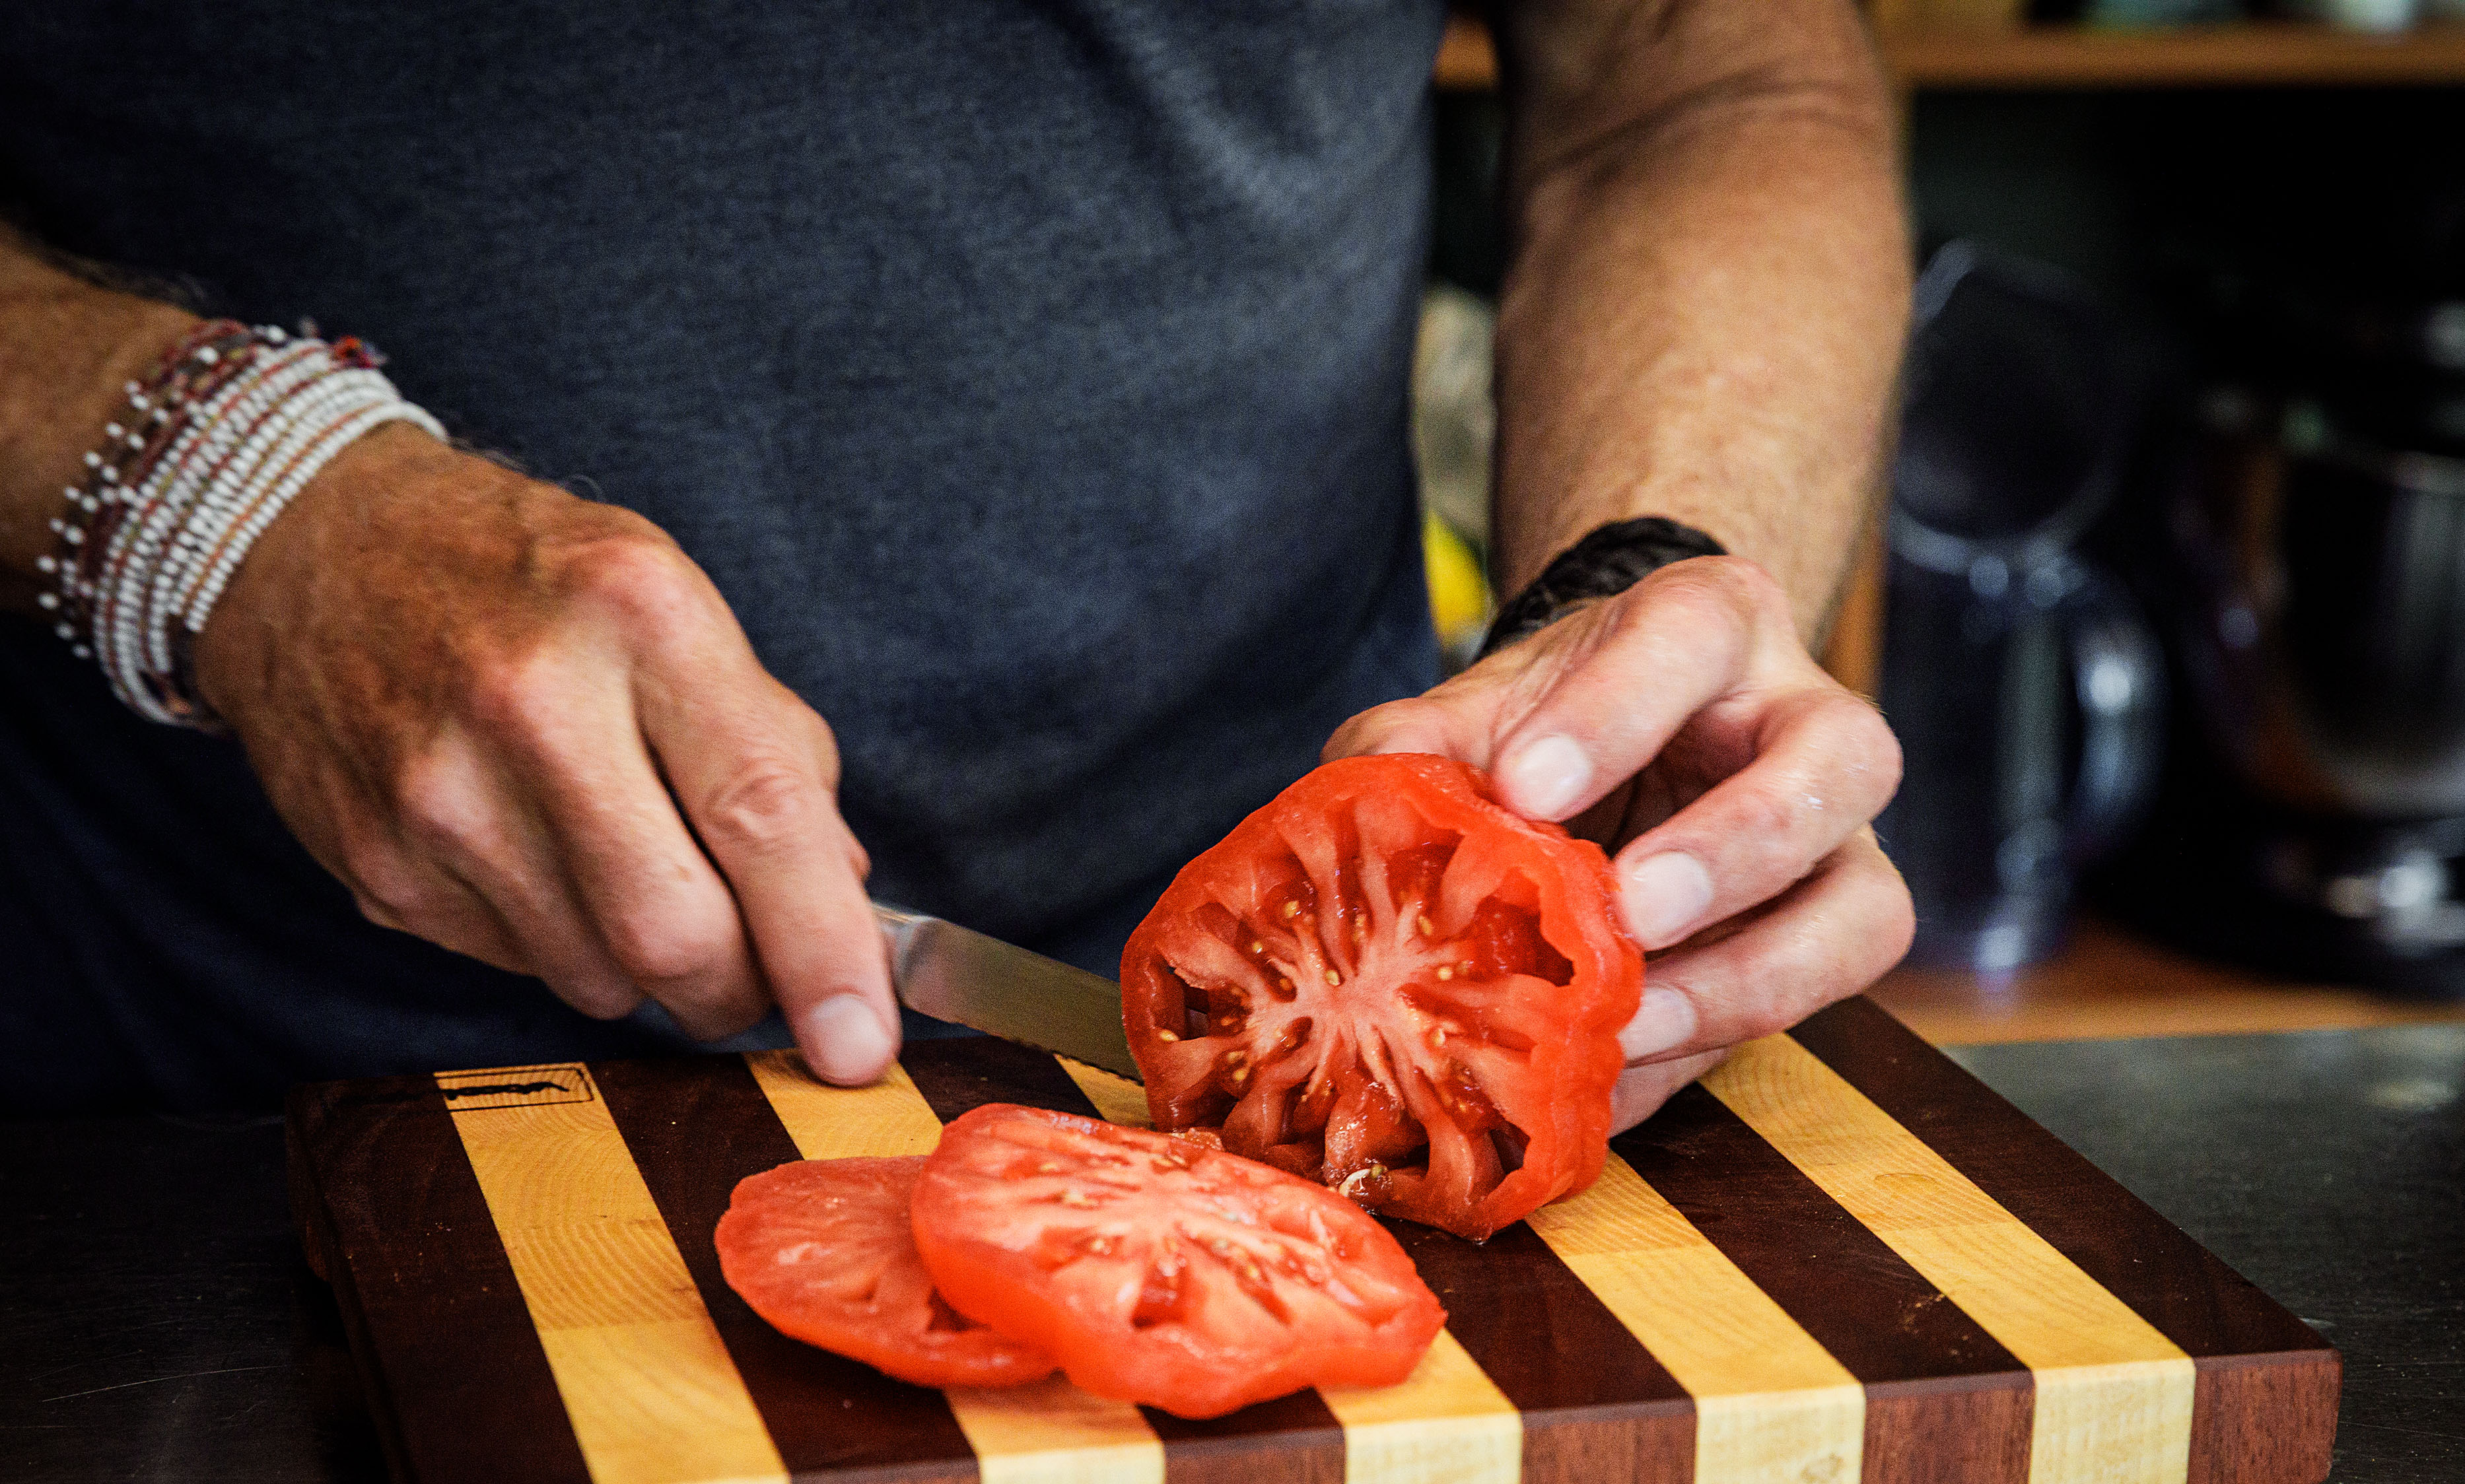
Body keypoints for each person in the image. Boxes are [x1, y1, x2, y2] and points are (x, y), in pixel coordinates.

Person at [0, 0, 1912, 1124]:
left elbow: (1706, 74)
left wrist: (1647, 578)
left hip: (1277, 1053)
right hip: (168, 1095)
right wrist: (200, 487)